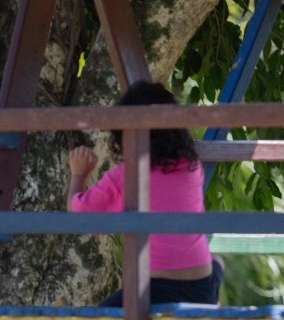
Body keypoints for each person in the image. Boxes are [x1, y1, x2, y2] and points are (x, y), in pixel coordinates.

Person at [68, 79, 222, 306]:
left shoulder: (127, 174)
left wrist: (79, 174)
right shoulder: (192, 166)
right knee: (217, 260)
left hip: (158, 291)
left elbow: (79, 217)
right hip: (202, 286)